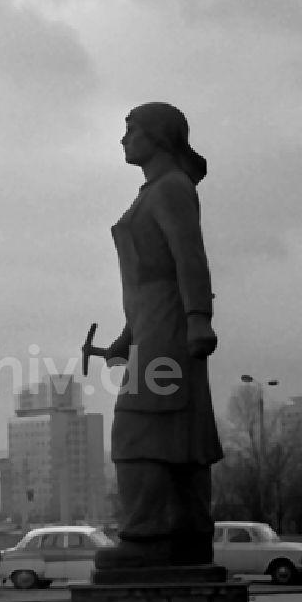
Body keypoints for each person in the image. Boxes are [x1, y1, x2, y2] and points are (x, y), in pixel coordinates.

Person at [83, 102, 222, 568]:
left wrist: (199, 317)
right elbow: (148, 278)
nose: (123, 139)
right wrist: (127, 336)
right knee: (176, 434)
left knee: (136, 431)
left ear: (157, 137)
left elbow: (189, 256)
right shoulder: (153, 192)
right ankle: (189, 538)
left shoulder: (171, 189)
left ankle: (146, 540)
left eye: (130, 130)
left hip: (170, 326)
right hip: (152, 325)